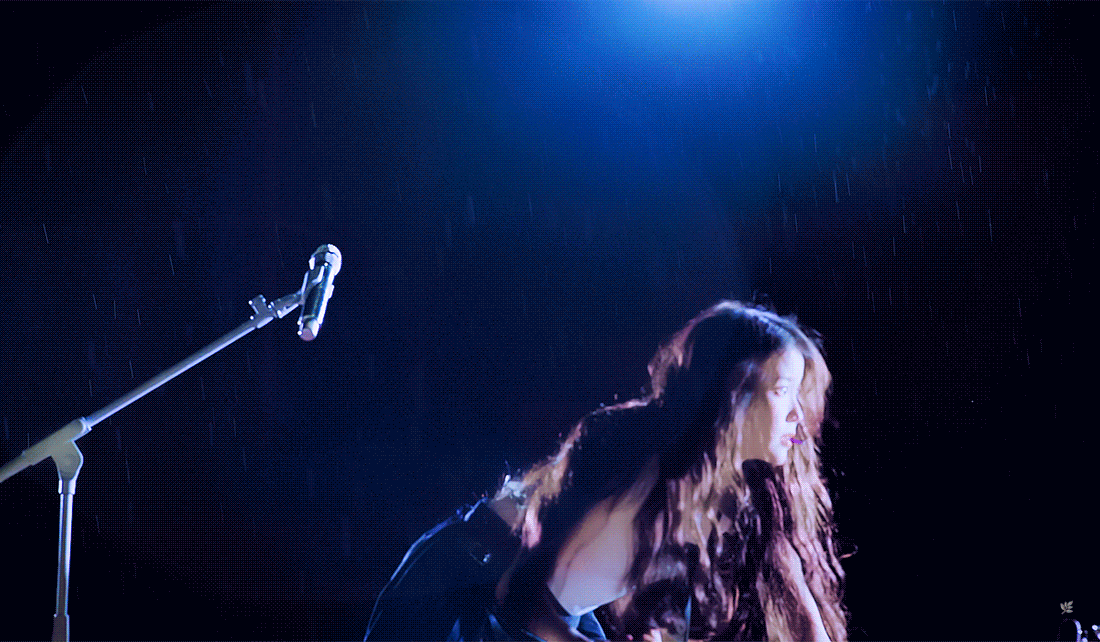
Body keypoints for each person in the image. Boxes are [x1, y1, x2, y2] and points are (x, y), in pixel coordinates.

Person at [364, 300, 851, 641]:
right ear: (731, 394)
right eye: (782, 390)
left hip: (532, 608)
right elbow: (521, 598)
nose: (797, 414)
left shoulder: (730, 487)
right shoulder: (646, 468)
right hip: (453, 600)